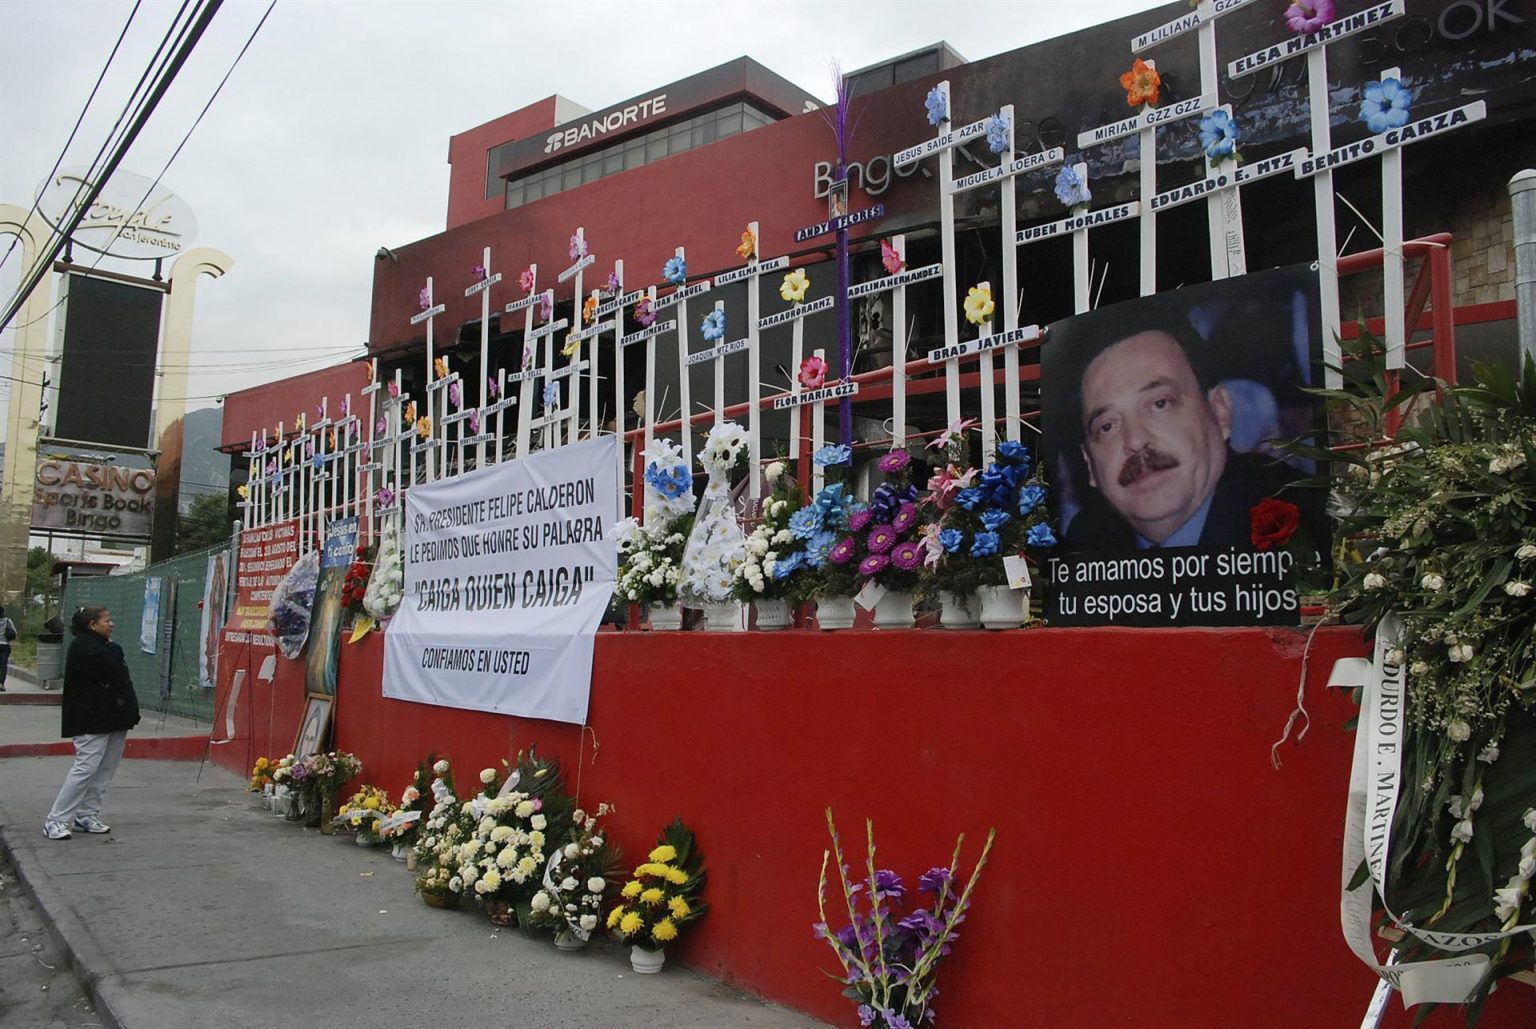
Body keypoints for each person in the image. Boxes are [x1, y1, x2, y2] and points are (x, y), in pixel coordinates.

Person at [1060, 318, 1323, 550]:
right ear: (1090, 465)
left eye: (1159, 404)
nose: (1136, 440)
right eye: (1107, 426)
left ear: (1220, 411)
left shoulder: (1303, 517)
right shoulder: (1085, 539)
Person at [43, 606, 141, 840]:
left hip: (114, 717)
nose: (112, 624)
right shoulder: (86, 648)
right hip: (90, 719)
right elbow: (110, 667)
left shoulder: (103, 647)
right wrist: (114, 648)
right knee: (85, 769)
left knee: (106, 769)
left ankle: (87, 814)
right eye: (107, 620)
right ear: (92, 625)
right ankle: (55, 820)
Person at [0, 604, 15, 691]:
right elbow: (14, 632)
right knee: (3, 665)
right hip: (5, 645)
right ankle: (1, 683)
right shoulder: (8, 621)